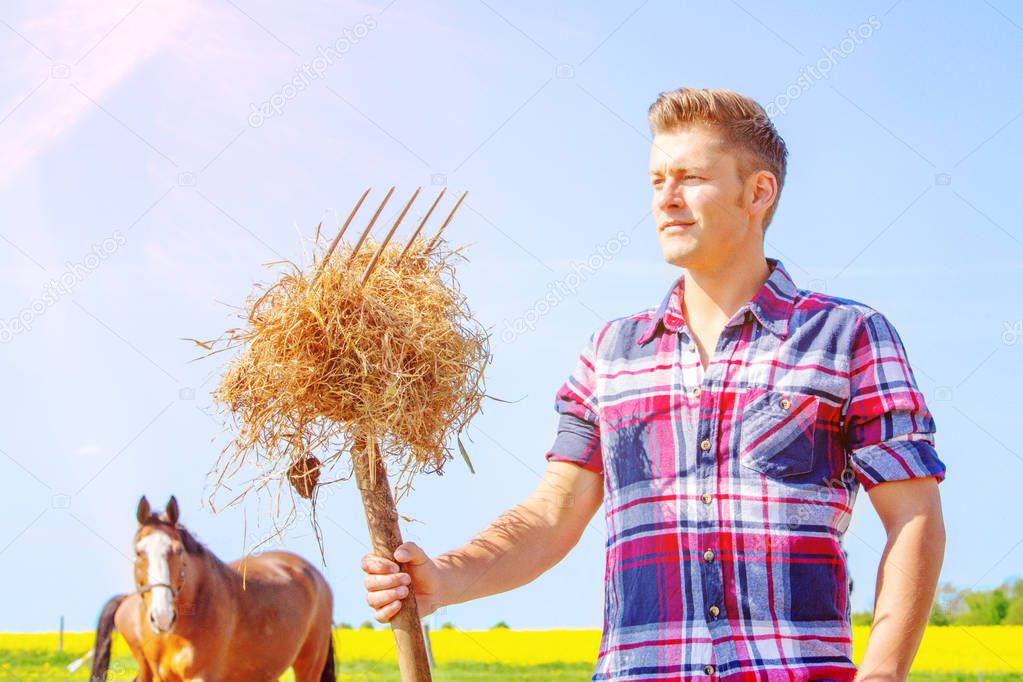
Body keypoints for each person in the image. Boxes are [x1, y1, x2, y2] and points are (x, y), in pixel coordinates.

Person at [361, 87, 946, 681]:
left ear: (758, 192)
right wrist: (447, 577)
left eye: (690, 177)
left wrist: (882, 673)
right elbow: (550, 515)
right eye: (656, 180)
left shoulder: (846, 336)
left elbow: (913, 517)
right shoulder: (610, 353)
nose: (666, 199)